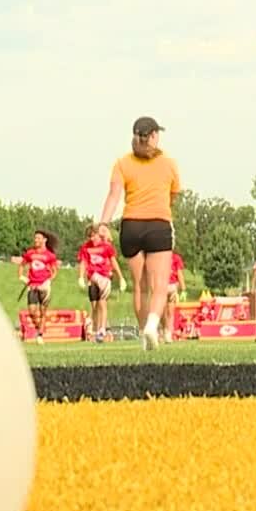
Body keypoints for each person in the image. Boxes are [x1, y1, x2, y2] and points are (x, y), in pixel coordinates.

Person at [99, 116, 181, 351]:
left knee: (139, 287)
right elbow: (173, 195)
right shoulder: (168, 163)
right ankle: (152, 326)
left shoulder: (122, 163)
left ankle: (144, 336)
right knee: (159, 285)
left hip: (131, 226)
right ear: (154, 135)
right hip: (158, 224)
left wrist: (103, 223)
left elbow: (113, 196)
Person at [77, 223, 126, 343]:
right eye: (90, 236)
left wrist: (121, 278)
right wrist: (81, 277)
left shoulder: (106, 247)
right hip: (92, 278)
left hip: (104, 277)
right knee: (94, 306)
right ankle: (94, 328)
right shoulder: (86, 247)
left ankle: (102, 329)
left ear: (99, 235)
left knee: (102, 303)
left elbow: (113, 262)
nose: (92, 239)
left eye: (94, 236)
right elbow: (83, 262)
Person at [18, 230, 59, 345]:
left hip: (44, 285)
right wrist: (21, 276)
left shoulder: (50, 255)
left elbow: (55, 271)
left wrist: (49, 280)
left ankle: (40, 334)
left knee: (43, 311)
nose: (36, 240)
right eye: (35, 238)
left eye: (38, 238)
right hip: (32, 285)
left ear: (44, 240)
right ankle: (38, 328)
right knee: (31, 311)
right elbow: (22, 264)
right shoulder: (30, 253)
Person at [164, 250, 187, 343]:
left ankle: (168, 332)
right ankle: (164, 331)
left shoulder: (176, 258)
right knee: (163, 311)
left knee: (170, 311)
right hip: (162, 285)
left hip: (172, 286)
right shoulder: (159, 257)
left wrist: (183, 289)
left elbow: (179, 273)